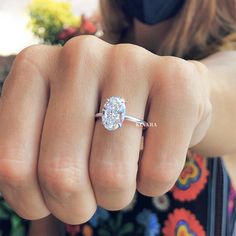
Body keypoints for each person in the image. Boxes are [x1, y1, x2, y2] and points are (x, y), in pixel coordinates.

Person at [0, 0, 236, 235]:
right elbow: (49, 214)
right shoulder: (79, 65)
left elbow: (221, 88)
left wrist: (195, 90)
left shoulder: (226, 55)